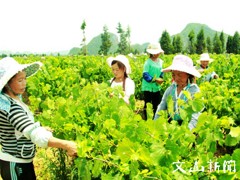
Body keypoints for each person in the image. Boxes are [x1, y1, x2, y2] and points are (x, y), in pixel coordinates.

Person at [0, 57, 77, 180]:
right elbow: (34, 134)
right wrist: (66, 144)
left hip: (23, 162)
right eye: (20, 80)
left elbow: (21, 127)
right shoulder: (10, 107)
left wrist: (41, 128)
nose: (24, 83)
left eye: (25, 78)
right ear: (7, 83)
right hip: (15, 164)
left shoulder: (14, 99)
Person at [154, 55, 201, 130]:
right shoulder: (170, 89)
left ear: (188, 74)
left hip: (188, 127)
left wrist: (186, 133)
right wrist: (155, 126)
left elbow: (196, 115)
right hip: (171, 126)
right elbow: (161, 108)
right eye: (173, 75)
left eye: (180, 75)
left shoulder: (194, 91)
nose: (176, 78)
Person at [141, 42, 164, 120]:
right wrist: (154, 80)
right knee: (147, 103)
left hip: (156, 86)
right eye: (155, 52)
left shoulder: (161, 62)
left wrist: (161, 78)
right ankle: (147, 118)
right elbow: (145, 74)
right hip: (148, 86)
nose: (157, 54)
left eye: (158, 52)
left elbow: (161, 72)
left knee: (156, 103)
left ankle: (155, 118)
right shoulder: (148, 62)